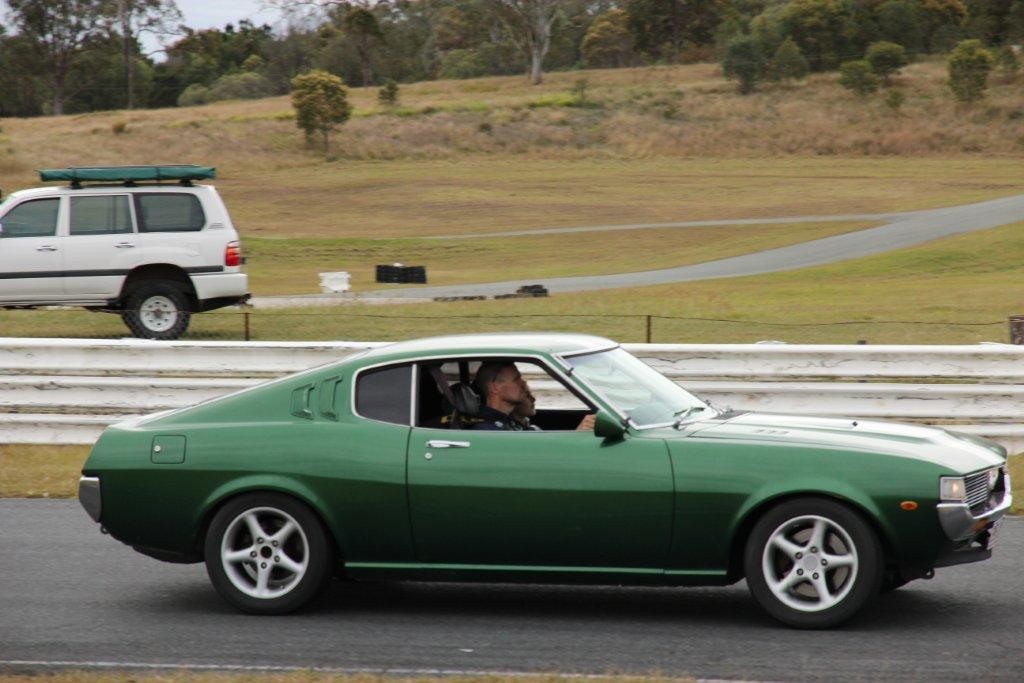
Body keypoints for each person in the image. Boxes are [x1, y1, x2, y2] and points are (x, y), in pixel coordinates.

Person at [469, 362, 529, 430]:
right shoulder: (487, 429)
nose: (524, 383)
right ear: (495, 388)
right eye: (516, 379)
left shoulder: (505, 421)